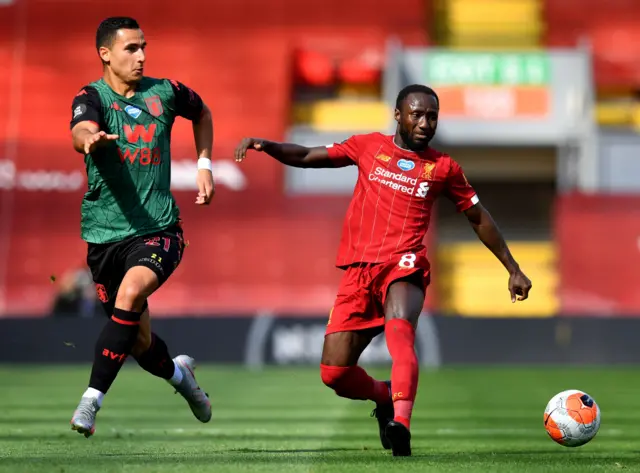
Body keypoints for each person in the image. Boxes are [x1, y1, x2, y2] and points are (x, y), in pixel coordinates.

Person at [234, 84, 532, 456]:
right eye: (417, 114)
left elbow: (478, 217)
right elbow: (311, 154)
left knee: (401, 336)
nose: (425, 123)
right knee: (335, 374)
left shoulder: (443, 168)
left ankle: (401, 424)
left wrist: (513, 268)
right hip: (359, 271)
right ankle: (385, 396)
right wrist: (269, 146)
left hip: (403, 263)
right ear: (398, 115)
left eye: (432, 116)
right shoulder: (368, 147)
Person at [68, 17, 215, 438]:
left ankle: (91, 400)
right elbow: (80, 129)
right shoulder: (90, 97)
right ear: (105, 54)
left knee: (131, 292)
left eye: (143, 46)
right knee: (138, 342)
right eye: (131, 48)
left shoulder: (165, 92)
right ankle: (181, 377)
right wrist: (89, 138)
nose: (142, 56)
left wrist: (204, 165)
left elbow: (202, 112)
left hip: (159, 228)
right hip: (104, 236)